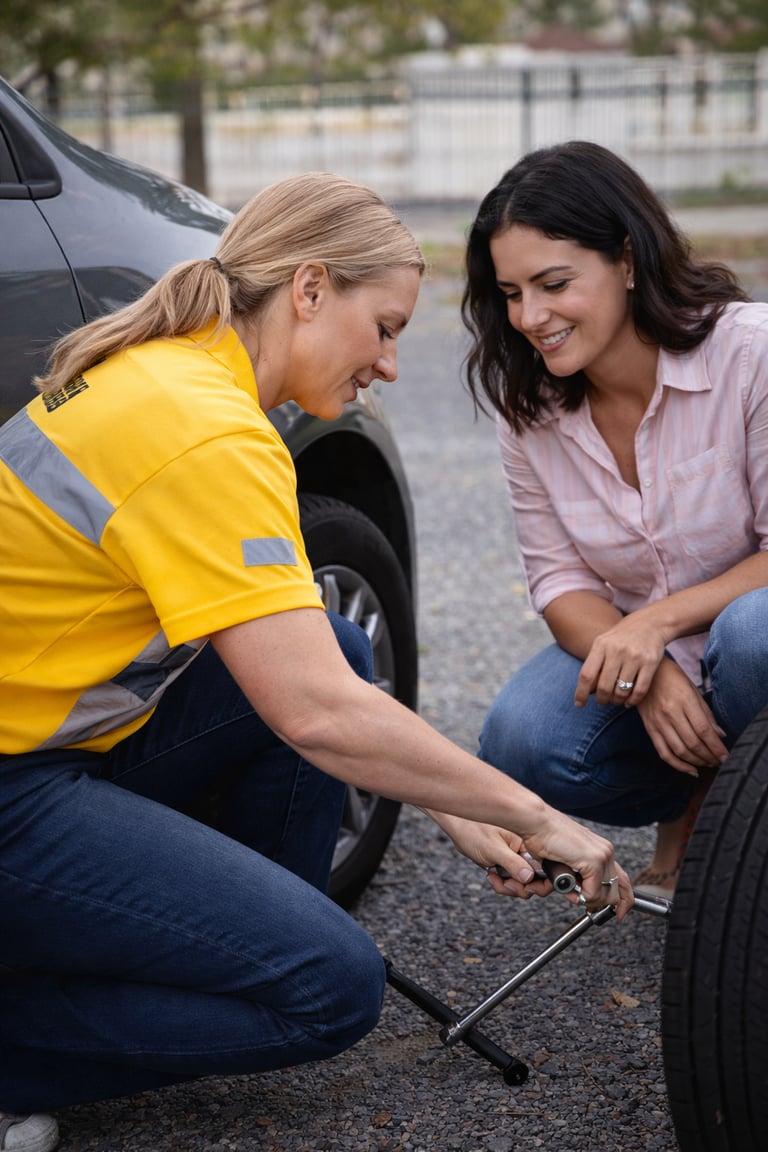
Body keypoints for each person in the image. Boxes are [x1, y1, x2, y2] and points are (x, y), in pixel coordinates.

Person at [0, 171, 632, 1152]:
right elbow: (317, 714)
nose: (387, 365)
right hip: (15, 787)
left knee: (335, 642)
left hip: (47, 748)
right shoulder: (204, 430)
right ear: (307, 290)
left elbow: (312, 678)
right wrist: (534, 813)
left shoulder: (178, 373)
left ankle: (213, 946)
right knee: (329, 991)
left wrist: (445, 797)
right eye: (383, 327)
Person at [462, 140, 768, 903]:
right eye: (510, 292)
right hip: (647, 648)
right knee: (520, 738)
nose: (531, 317)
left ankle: (744, 824)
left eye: (553, 283)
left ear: (627, 260)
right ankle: (692, 800)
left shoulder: (751, 354)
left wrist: (654, 626)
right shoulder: (527, 408)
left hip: (747, 633)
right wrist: (650, 668)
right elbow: (560, 582)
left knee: (753, 635)